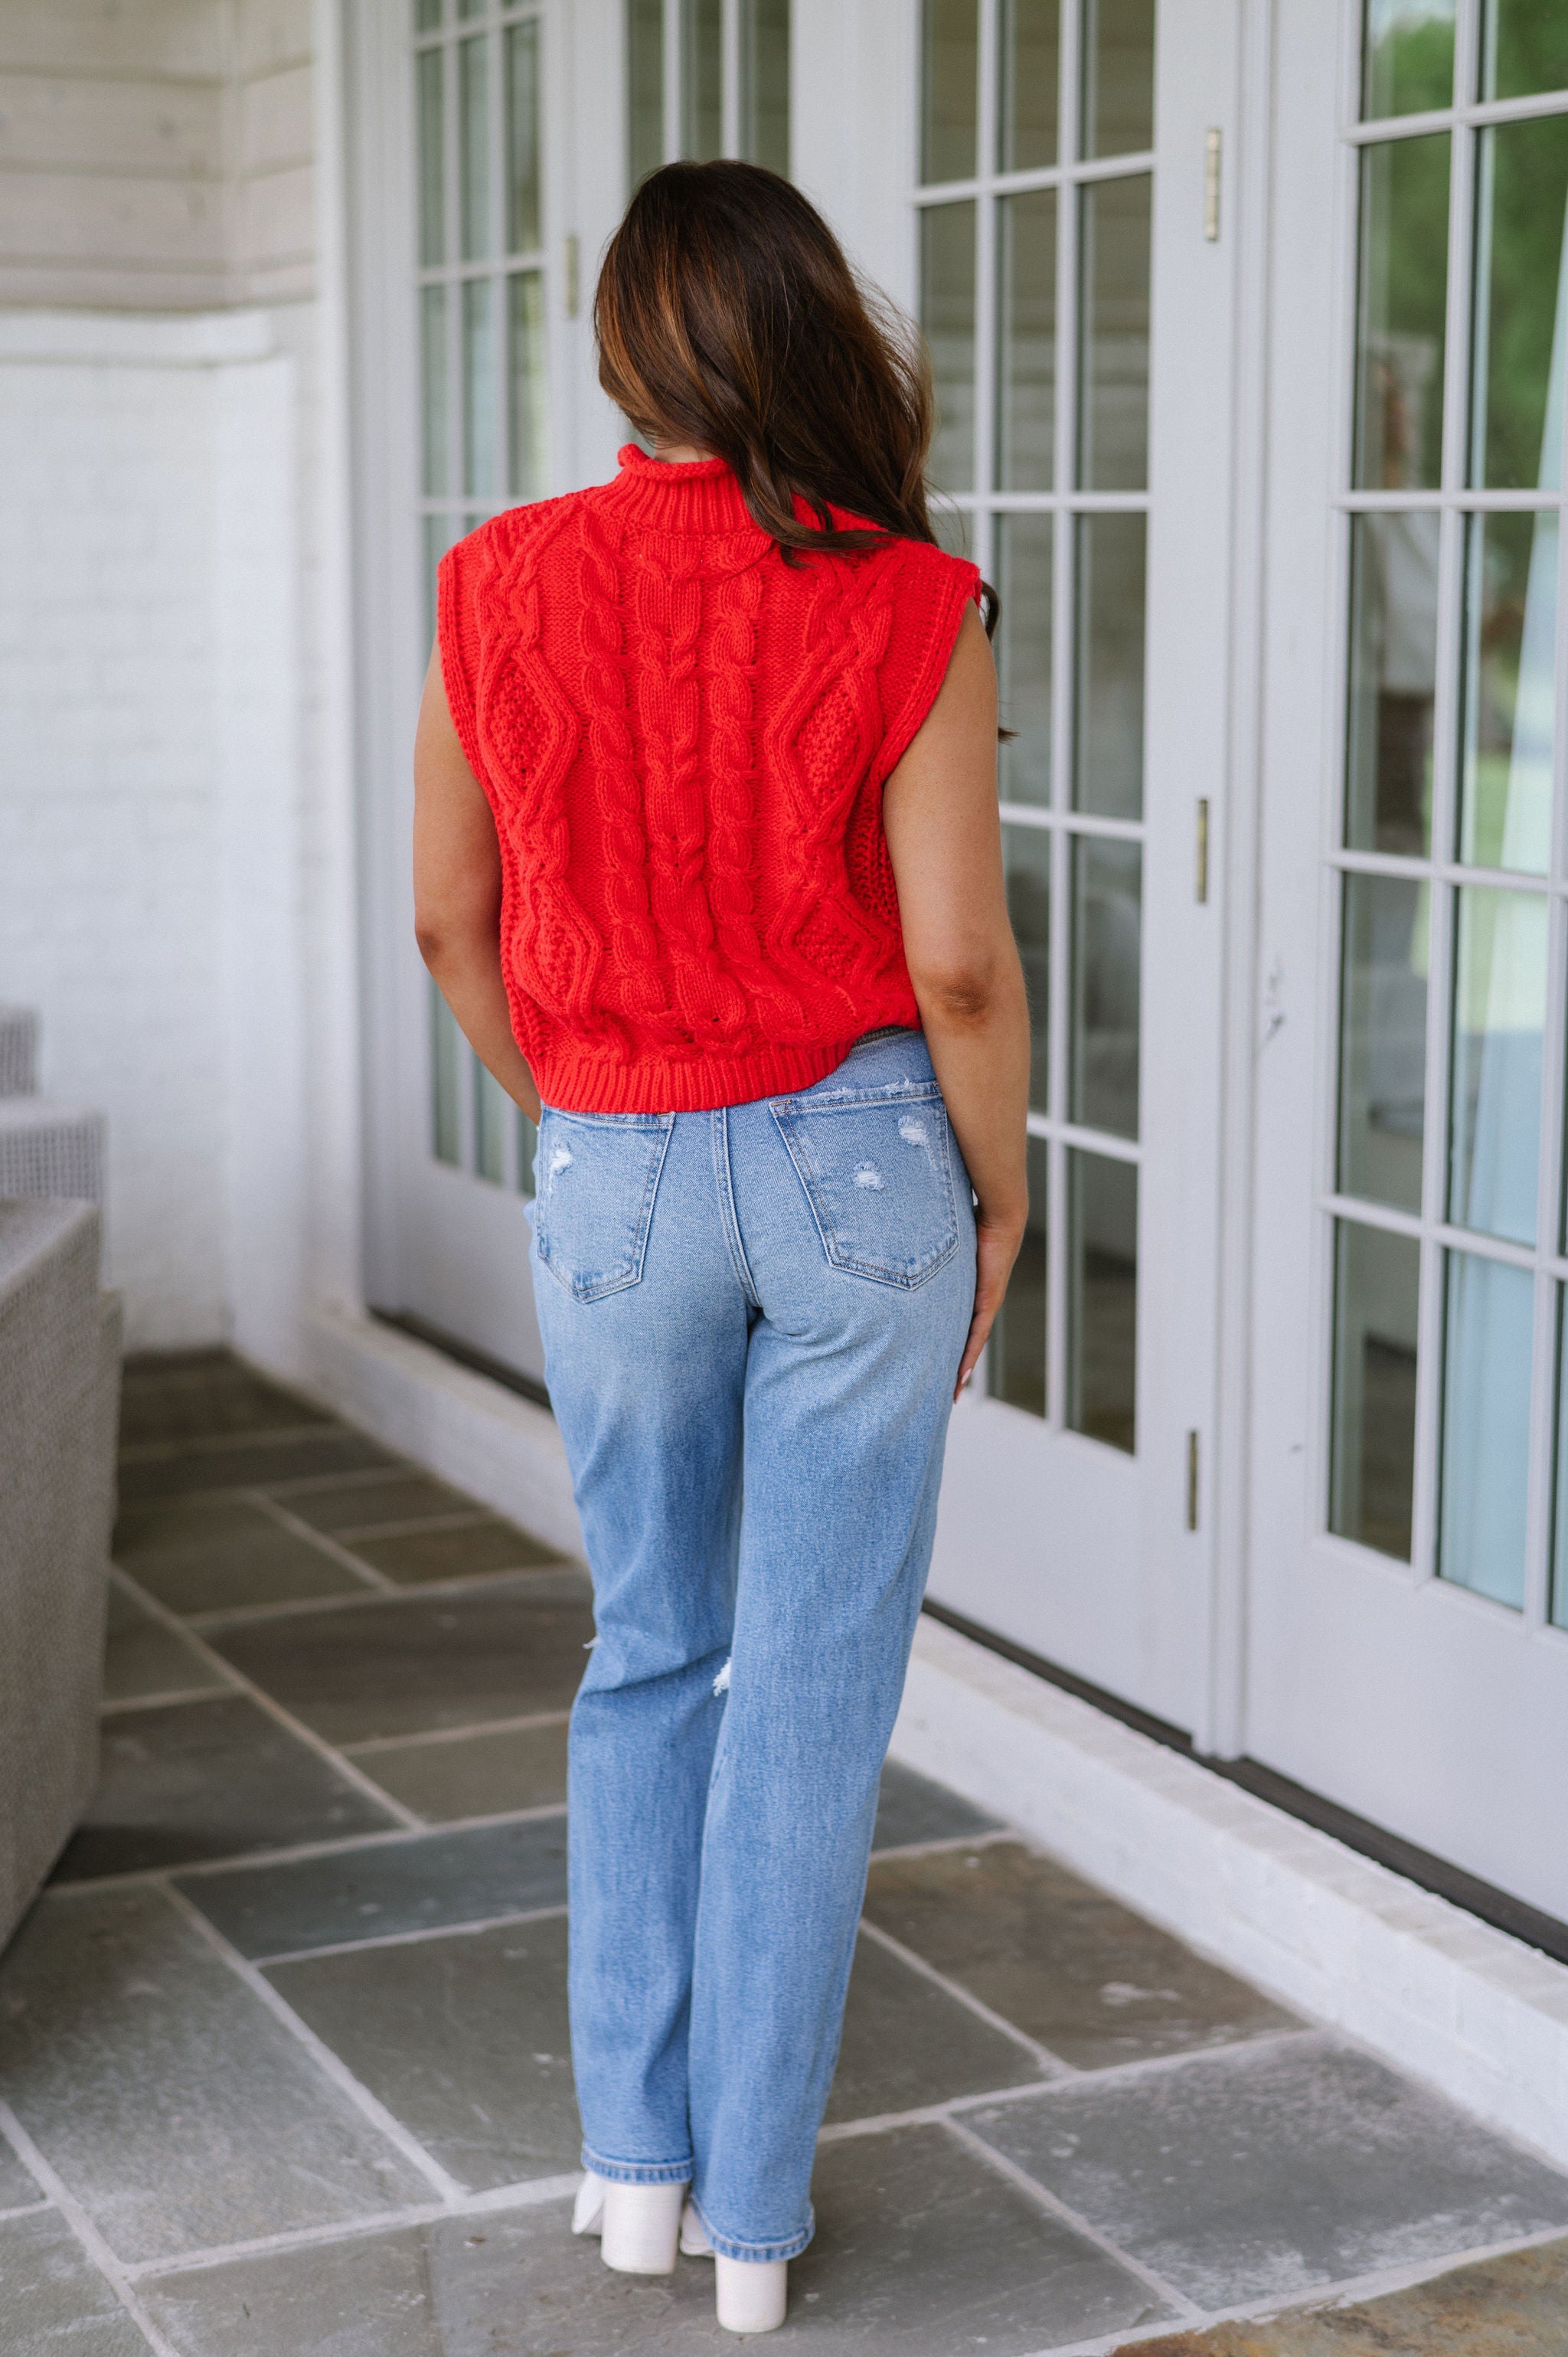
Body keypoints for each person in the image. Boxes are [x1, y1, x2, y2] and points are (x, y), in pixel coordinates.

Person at [413, 158, 1028, 2336]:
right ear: (800, 342)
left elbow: (448, 924)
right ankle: (759, 2230)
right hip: (866, 1158)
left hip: (621, 1162)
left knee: (649, 1652)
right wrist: (1004, 1189)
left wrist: (578, 1111)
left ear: (623, 352)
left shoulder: (495, 580)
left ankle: (636, 2181)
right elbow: (956, 970)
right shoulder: (907, 599)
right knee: (812, 1696)